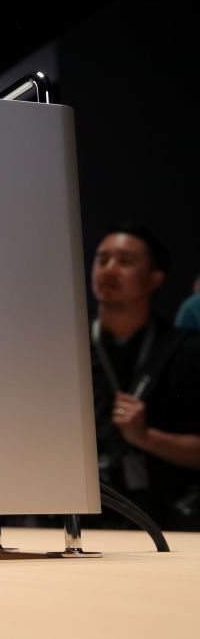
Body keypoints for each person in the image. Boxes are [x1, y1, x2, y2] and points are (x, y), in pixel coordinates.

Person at [89, 223, 200, 529]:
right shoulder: (67, 352)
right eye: (102, 259)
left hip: (169, 520)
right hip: (85, 523)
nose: (109, 269)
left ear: (155, 279)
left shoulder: (186, 350)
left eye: (125, 261)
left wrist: (147, 438)